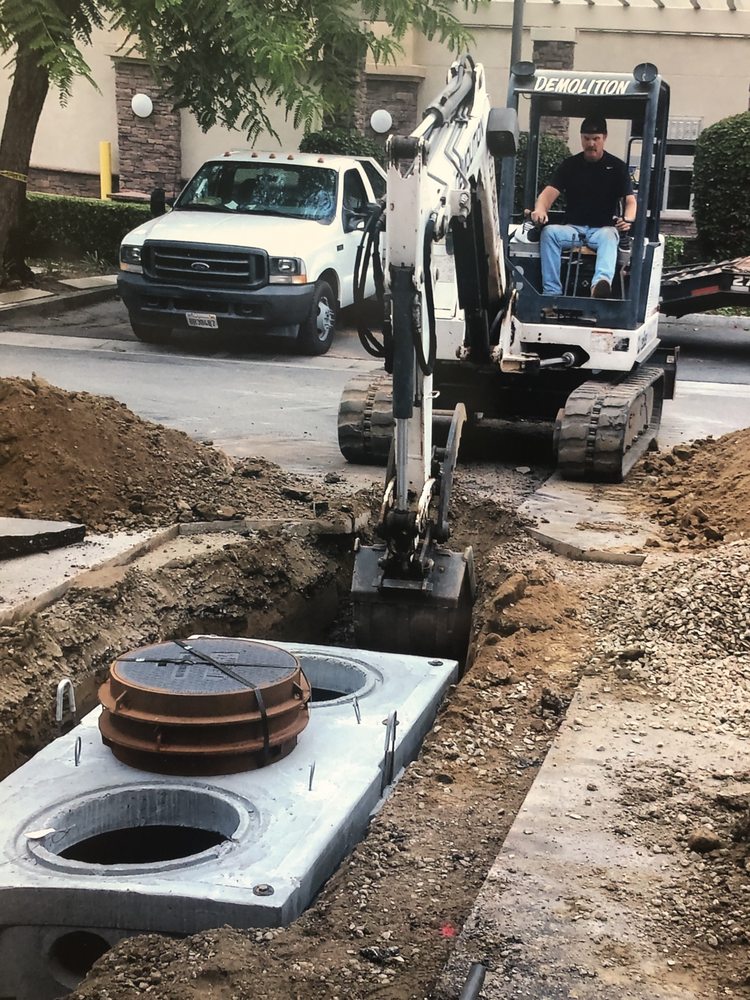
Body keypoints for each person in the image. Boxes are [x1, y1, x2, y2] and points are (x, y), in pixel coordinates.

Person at [531, 116, 636, 299]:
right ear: (581, 138)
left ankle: (599, 286)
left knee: (611, 235)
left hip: (601, 230)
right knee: (549, 233)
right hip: (573, 229)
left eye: (596, 138)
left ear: (604, 138)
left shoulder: (617, 167)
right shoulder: (569, 165)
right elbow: (547, 195)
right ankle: (551, 294)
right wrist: (540, 209)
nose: (591, 143)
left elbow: (630, 201)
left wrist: (627, 220)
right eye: (587, 138)